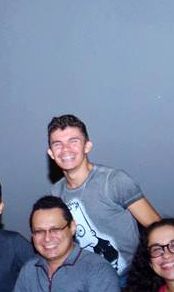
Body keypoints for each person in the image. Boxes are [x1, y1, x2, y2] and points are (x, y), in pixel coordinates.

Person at [47, 114, 161, 281]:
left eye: (73, 141)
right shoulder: (56, 192)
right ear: (51, 153)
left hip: (131, 278)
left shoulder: (114, 181)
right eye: (58, 144)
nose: (65, 149)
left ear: (87, 146)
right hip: (92, 281)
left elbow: (158, 228)